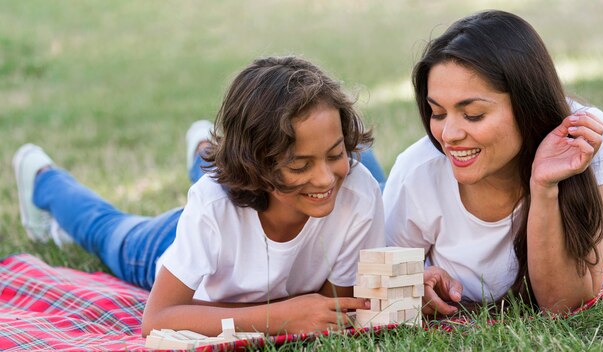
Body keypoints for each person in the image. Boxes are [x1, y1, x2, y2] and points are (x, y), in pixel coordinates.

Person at [13, 56, 386, 336]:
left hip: (227, 238)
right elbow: (157, 319)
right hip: (172, 247)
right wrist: (276, 318)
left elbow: (326, 309)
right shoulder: (213, 205)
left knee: (228, 178)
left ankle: (205, 149)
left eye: (336, 154)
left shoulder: (357, 192)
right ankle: (42, 177)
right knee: (107, 230)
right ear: (255, 163)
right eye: (300, 165)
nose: (325, 177)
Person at [384, 10, 603, 315]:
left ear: (528, 102)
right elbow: (375, 287)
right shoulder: (418, 171)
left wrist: (544, 185)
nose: (449, 135)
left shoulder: (589, 141)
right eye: (438, 113)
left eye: (473, 114)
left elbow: (565, 304)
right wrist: (412, 285)